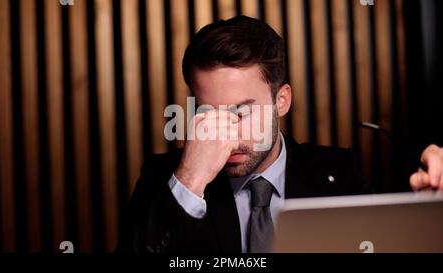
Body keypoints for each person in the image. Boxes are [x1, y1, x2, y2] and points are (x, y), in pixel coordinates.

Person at [116, 16, 443, 254]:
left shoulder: (339, 172)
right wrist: (189, 183)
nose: (226, 132)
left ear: (281, 100)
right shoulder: (164, 178)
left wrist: (427, 218)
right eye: (209, 114)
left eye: (242, 113)